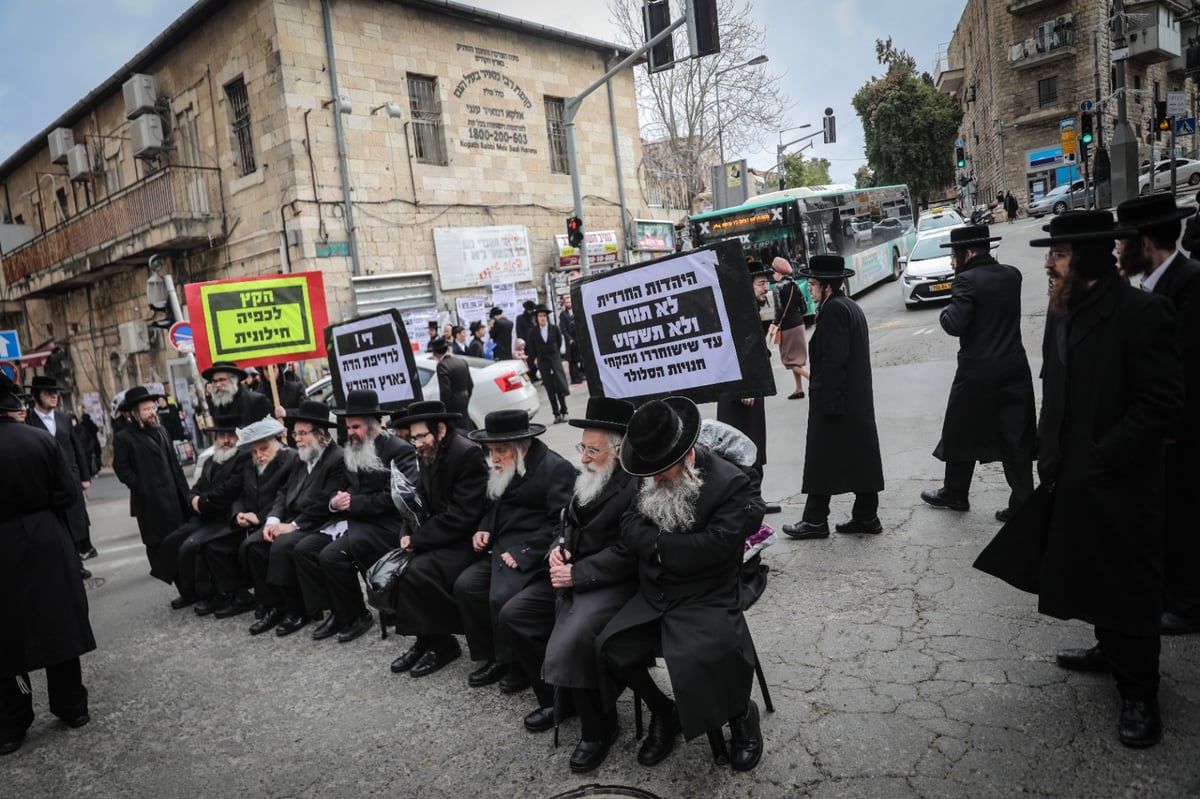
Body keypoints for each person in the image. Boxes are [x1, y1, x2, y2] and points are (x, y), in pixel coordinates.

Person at [977, 210, 1184, 749]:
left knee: (1128, 584)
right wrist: (1049, 452)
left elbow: (1162, 403)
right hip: (1073, 477)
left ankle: (1140, 693)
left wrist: (1104, 457)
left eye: (1059, 254)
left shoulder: (1143, 313)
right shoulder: (1066, 311)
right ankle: (1106, 648)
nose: (1048, 263)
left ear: (1089, 258)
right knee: (1092, 575)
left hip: (1121, 483)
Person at [597, 397, 765, 771]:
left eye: (663, 471)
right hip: (657, 591)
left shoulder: (730, 484)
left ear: (687, 457)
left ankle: (740, 713)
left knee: (700, 656)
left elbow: (715, 550)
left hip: (709, 592)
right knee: (612, 648)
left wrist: (655, 546)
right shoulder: (649, 470)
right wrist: (666, 549)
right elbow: (627, 525)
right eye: (650, 472)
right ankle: (665, 712)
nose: (654, 479)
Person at [498, 397, 638, 772]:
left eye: (593, 450)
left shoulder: (635, 485)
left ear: (619, 450)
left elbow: (629, 552)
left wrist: (576, 573)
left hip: (612, 583)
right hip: (571, 573)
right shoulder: (591, 475)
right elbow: (566, 523)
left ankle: (600, 728)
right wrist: (558, 548)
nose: (585, 458)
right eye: (583, 448)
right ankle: (560, 700)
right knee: (515, 614)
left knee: (574, 634)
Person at [1115, 195, 1200, 636]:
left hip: (1182, 434)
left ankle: (1187, 603)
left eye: (1122, 242)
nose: (1117, 251)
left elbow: (1182, 368)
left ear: (1144, 242)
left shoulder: (1189, 283)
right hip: (1165, 435)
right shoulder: (1152, 284)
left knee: (1183, 517)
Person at [0, 375, 95, 756]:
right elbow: (67, 492)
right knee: (59, 627)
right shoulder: (39, 439)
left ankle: (11, 724)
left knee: (8, 642)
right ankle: (72, 707)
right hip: (47, 540)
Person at [920, 225, 1036, 522]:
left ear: (968, 253)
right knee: (1015, 436)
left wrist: (948, 304)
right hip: (1013, 367)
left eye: (954, 257)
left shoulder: (966, 281)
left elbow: (953, 324)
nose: (951, 262)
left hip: (976, 373)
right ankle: (1023, 502)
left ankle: (955, 492)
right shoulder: (1012, 275)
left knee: (959, 430)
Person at [454, 410, 575, 691]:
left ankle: (518, 664)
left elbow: (562, 525)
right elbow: (495, 504)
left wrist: (524, 551)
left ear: (522, 446)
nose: (494, 457)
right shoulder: (507, 464)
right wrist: (485, 527)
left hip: (532, 550)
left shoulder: (555, 469)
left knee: (502, 598)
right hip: (501, 545)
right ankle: (496, 656)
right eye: (490, 450)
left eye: (500, 450)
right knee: (466, 586)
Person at [293, 390, 418, 644]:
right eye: (348, 426)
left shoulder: (398, 450)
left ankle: (357, 615)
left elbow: (399, 497)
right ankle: (338, 611)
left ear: (373, 425)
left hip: (387, 525)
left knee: (331, 555)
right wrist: (336, 501)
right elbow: (345, 487)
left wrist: (355, 502)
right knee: (305, 548)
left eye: (356, 426)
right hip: (354, 520)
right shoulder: (352, 448)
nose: (350, 432)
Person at [383, 401, 489, 677]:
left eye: (420, 436)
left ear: (440, 429)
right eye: (413, 437)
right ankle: (425, 639)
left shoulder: (466, 454)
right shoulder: (428, 449)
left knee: (419, 570)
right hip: (441, 532)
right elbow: (421, 496)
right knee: (404, 567)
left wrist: (419, 539)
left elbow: (463, 515)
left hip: (469, 537)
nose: (415, 443)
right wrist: (407, 531)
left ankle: (443, 644)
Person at [782, 256, 884, 540]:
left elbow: (834, 361)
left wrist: (829, 402)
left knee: (820, 459)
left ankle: (815, 520)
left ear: (827, 286)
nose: (809, 289)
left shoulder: (835, 310)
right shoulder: (847, 305)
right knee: (859, 456)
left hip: (836, 398)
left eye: (813, 284)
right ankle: (866, 515)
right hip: (853, 399)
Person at [241, 400, 346, 637]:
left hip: (319, 522)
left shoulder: (336, 458)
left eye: (302, 433)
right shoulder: (302, 457)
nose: (296, 438)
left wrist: (292, 526)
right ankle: (273, 605)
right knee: (253, 545)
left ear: (321, 434)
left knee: (283, 546)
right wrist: (272, 521)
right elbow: (283, 492)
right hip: (291, 519)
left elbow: (325, 504)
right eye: (295, 433)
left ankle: (299, 610)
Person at [150, 413, 249, 612]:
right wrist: (192, 498)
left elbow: (229, 491)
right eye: (222, 436)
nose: (226, 440)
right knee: (172, 541)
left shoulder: (242, 458)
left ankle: (211, 592)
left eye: (231, 436)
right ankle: (190, 591)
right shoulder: (212, 460)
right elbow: (197, 487)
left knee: (191, 545)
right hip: (205, 515)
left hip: (224, 517)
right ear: (216, 439)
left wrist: (201, 502)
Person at [203, 417, 298, 621]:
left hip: (276, 520)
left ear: (276, 444)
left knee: (252, 548)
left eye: (264, 449)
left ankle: (271, 603)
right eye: (254, 452)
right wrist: (238, 514)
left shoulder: (290, 460)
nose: (259, 455)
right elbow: (238, 493)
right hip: (249, 521)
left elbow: (285, 498)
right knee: (215, 546)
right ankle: (239, 596)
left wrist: (260, 517)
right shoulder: (249, 462)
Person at [113, 386, 191, 568]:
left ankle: (188, 590)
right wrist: (141, 486)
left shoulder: (161, 430)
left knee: (182, 540)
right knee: (160, 546)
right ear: (134, 413)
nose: (151, 412)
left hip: (174, 495)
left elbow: (174, 464)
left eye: (152, 408)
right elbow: (121, 468)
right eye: (146, 409)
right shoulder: (124, 437)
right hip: (150, 500)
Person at [25, 375, 96, 560]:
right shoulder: (29, 421)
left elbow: (77, 447)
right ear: (36, 396)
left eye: (55, 393)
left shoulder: (63, 418)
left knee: (77, 520)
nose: (54, 397)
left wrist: (85, 476)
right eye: (49, 394)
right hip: (48, 481)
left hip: (71, 478)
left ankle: (80, 558)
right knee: (59, 523)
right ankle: (70, 560)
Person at [769, 257, 810, 400]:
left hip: (787, 327)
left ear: (778, 272)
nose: (772, 275)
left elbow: (779, 310)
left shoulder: (777, 287)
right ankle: (799, 389)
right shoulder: (795, 284)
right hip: (799, 325)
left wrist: (775, 324)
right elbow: (804, 307)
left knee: (789, 360)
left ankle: (814, 380)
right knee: (796, 360)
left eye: (773, 271)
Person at [531, 305, 570, 424]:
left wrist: (555, 355)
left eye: (544, 316)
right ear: (537, 318)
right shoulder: (533, 332)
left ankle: (564, 411)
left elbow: (559, 342)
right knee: (550, 389)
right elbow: (532, 347)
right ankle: (556, 414)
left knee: (559, 388)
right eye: (540, 316)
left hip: (554, 361)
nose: (542, 318)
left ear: (547, 317)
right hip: (544, 363)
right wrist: (536, 358)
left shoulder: (554, 328)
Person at [203, 362, 273, 427]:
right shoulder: (215, 404)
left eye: (222, 380)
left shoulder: (257, 401)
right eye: (215, 381)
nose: (217, 385)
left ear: (234, 380)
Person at [430, 336, 474, 432]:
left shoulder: (442, 365)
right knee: (465, 427)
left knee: (456, 431)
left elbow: (445, 391)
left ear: (435, 353)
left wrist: (444, 408)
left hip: (452, 405)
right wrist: (465, 396)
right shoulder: (462, 362)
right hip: (464, 400)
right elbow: (470, 385)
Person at [560, 294, 585, 384]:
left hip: (577, 338)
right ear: (564, 304)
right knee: (572, 360)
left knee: (579, 357)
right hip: (570, 340)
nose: (568, 303)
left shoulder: (575, 311)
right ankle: (574, 378)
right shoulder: (563, 314)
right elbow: (563, 328)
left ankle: (579, 375)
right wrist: (569, 338)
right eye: (567, 302)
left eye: (570, 302)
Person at [516, 300, 540, 382]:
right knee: (529, 360)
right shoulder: (520, 318)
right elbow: (518, 331)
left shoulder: (535, 316)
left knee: (537, 358)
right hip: (526, 343)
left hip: (535, 341)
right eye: (530, 310)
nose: (531, 311)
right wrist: (521, 343)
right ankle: (531, 376)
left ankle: (535, 374)